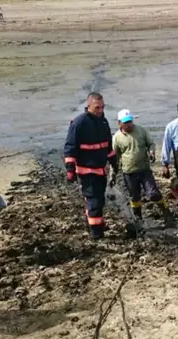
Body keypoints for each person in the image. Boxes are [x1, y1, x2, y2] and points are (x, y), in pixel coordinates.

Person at [64, 92, 118, 240]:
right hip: (86, 172)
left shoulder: (103, 122)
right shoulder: (79, 123)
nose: (100, 110)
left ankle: (92, 223)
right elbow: (70, 147)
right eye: (97, 108)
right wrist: (70, 169)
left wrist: (114, 161)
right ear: (88, 107)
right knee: (94, 202)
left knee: (99, 201)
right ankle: (97, 235)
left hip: (101, 171)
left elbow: (107, 146)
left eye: (102, 107)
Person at [111, 109, 171, 224]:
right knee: (135, 196)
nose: (129, 125)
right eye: (126, 123)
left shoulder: (141, 131)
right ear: (119, 123)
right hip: (129, 172)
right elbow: (115, 157)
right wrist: (112, 175)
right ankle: (138, 218)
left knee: (153, 193)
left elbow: (151, 144)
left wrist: (152, 152)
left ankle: (166, 213)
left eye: (130, 121)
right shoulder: (116, 138)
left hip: (144, 170)